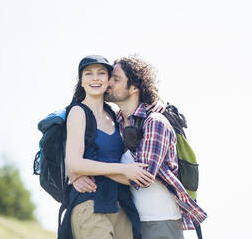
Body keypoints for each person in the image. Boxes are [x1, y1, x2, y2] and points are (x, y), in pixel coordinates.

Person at [104, 55, 208, 239]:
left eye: (116, 79)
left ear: (134, 87)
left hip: (161, 222)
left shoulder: (155, 121)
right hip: (130, 221)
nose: (108, 82)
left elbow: (143, 177)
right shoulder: (116, 123)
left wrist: (89, 169)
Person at [60, 55, 158, 239]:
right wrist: (123, 170)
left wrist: (129, 175)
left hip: (120, 205)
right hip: (90, 202)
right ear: (81, 81)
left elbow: (133, 175)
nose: (95, 78)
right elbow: (74, 163)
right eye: (88, 74)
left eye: (101, 73)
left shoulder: (114, 115)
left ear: (108, 80)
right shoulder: (77, 112)